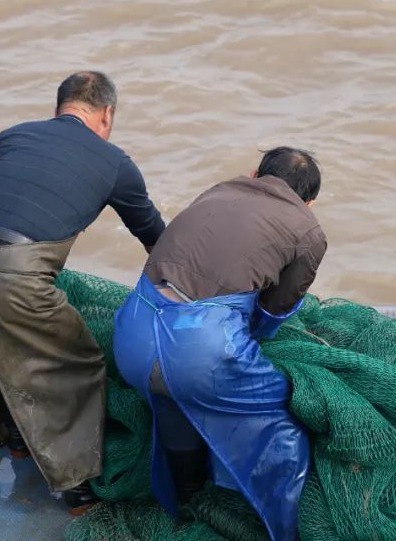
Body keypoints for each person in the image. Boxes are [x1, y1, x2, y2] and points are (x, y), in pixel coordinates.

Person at [0, 70, 165, 513]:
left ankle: (14, 439)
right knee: (76, 361)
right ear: (107, 114)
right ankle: (75, 487)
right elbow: (156, 240)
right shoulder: (114, 161)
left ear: (59, 106)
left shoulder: (13, 136)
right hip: (8, 277)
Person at [113, 147, 327, 541]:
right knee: (285, 417)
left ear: (255, 173)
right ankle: (289, 530)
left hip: (133, 332)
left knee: (173, 405)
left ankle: (187, 504)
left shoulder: (218, 190)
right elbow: (275, 311)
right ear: (308, 202)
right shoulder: (309, 230)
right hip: (202, 351)